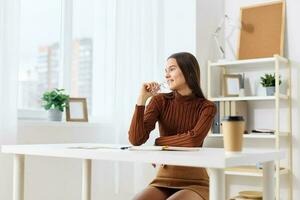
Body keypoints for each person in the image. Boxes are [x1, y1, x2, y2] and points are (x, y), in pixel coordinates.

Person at [128, 52, 216, 200]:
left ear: (188, 71)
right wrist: (142, 99)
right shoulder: (159, 101)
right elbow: (136, 140)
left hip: (196, 182)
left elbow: (193, 140)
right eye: (166, 71)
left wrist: (159, 142)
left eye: (172, 69)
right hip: (162, 180)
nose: (167, 75)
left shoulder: (207, 107)